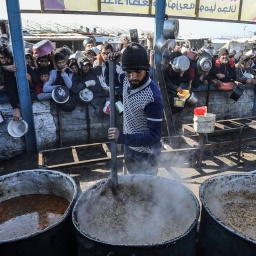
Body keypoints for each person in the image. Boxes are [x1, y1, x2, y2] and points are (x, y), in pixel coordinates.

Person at [108, 43, 164, 175]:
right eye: (129, 72)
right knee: (130, 185)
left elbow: (154, 136)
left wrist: (121, 138)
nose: (133, 77)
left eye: (138, 72)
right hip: (130, 147)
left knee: (146, 189)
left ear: (146, 69)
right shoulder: (125, 79)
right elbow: (110, 81)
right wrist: (109, 64)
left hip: (146, 154)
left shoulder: (153, 97)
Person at [0, 49, 21, 120]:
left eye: (1, 58)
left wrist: (15, 108)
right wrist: (4, 67)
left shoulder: (8, 72)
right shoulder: (5, 68)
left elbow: (10, 88)